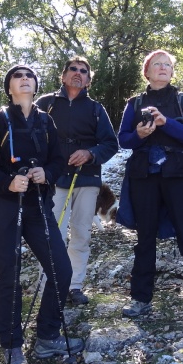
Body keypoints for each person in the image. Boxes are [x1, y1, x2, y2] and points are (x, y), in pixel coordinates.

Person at [0, 65, 85, 364]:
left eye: (29, 76)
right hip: (3, 207)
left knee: (61, 270)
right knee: (9, 277)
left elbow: (56, 161)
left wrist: (45, 174)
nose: (24, 79)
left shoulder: (45, 120)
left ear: (36, 85)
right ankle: (12, 346)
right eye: (17, 76)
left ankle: (48, 335)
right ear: (9, 87)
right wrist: (8, 182)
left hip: (38, 206)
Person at [117, 49, 183, 325]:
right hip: (144, 177)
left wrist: (166, 123)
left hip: (179, 177)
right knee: (145, 239)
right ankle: (140, 300)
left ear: (172, 72)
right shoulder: (134, 102)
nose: (162, 68)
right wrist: (139, 134)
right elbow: (124, 140)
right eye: (156, 64)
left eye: (167, 65)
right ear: (147, 71)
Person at [36, 56, 119, 306]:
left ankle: (74, 286)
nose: (78, 73)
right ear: (63, 75)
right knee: (53, 234)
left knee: (81, 234)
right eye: (73, 69)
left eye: (84, 71)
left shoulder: (96, 109)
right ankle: (50, 285)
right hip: (52, 179)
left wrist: (90, 153)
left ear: (89, 81)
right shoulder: (45, 104)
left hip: (87, 178)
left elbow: (110, 144)